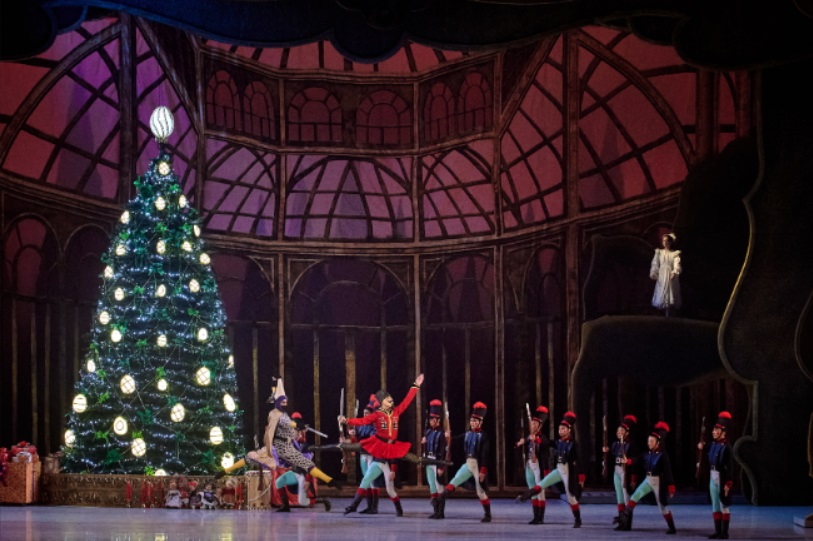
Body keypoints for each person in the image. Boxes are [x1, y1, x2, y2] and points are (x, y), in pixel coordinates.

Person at [339, 374, 425, 516]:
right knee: (367, 479)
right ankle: (354, 505)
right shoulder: (377, 415)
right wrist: (347, 420)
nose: (390, 400)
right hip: (380, 454)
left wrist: (416, 385)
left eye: (390, 398)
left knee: (390, 489)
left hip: (390, 453)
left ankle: (399, 510)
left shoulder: (396, 411)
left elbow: (407, 400)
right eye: (387, 399)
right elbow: (362, 421)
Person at [516, 411, 584, 528]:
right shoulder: (558, 442)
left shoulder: (573, 444)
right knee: (541, 484)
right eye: (560, 429)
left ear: (569, 430)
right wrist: (535, 440)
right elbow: (548, 443)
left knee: (571, 497)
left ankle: (578, 519)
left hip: (568, 471)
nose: (561, 431)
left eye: (563, 429)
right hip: (559, 469)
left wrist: (581, 478)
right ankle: (525, 496)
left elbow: (579, 462)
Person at [616, 421, 677, 534]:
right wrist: (628, 461)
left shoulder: (663, 455)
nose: (649, 443)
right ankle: (623, 518)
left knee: (662, 507)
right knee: (634, 497)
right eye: (648, 441)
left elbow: (668, 472)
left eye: (651, 441)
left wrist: (671, 486)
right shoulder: (647, 454)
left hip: (658, 481)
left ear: (658, 443)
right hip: (648, 480)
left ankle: (672, 527)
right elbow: (637, 459)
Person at [436, 402, 492, 523]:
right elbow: (454, 440)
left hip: (478, 465)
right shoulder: (467, 434)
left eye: (475, 421)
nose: (473, 423)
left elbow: (485, 454)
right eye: (471, 421)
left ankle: (488, 514)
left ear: (480, 422)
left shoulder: (483, 436)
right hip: (468, 463)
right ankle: (439, 502)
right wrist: (447, 437)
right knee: (454, 481)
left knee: (480, 492)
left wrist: (483, 470)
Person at [273, 411, 332, 512]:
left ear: (299, 432)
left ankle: (323, 501)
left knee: (303, 502)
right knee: (279, 482)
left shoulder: (304, 446)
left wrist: (308, 480)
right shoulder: (291, 442)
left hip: (303, 475)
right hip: (295, 472)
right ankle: (285, 506)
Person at [698, 411, 733, 539]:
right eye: (713, 430)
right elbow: (705, 447)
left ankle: (725, 532)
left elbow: (730, 467)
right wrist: (702, 446)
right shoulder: (713, 444)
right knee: (715, 505)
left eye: (717, 430)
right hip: (713, 477)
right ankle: (717, 531)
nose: (714, 432)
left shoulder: (726, 447)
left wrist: (728, 483)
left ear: (723, 432)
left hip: (722, 477)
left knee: (724, 505)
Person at [515, 405, 551, 524]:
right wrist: (521, 442)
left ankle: (541, 518)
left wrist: (536, 440)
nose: (533, 426)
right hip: (530, 465)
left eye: (535, 424)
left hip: (539, 466)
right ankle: (535, 517)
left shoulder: (542, 438)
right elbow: (524, 442)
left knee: (540, 492)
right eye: (532, 424)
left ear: (540, 425)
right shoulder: (529, 437)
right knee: (532, 491)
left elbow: (545, 444)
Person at [602, 414, 638, 524]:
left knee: (626, 495)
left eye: (622, 431)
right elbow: (612, 455)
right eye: (618, 431)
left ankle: (627, 521)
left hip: (625, 471)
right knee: (619, 494)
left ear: (627, 433)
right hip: (616, 470)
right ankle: (621, 519)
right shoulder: (616, 444)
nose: (619, 433)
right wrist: (606, 451)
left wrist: (633, 477)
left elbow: (636, 460)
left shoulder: (631, 444)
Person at [423, 399, 449, 519]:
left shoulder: (442, 433)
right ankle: (435, 510)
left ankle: (441, 512)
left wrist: (441, 466)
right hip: (428, 460)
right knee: (432, 486)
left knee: (439, 486)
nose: (431, 421)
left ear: (438, 420)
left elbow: (443, 451)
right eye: (430, 419)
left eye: (433, 419)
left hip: (437, 461)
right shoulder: (428, 432)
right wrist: (424, 443)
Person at [650, 232, 682, 316]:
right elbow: (655, 263)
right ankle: (664, 314)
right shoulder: (659, 252)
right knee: (662, 292)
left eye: (667, 241)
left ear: (670, 242)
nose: (665, 242)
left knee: (670, 293)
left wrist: (674, 272)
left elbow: (677, 264)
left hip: (669, 275)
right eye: (664, 241)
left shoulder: (674, 253)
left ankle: (669, 314)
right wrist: (654, 273)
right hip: (662, 275)